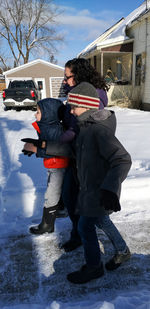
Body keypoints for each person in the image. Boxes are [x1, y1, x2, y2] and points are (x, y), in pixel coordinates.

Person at [65, 82, 131, 283]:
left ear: (85, 105)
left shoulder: (98, 131)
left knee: (85, 226)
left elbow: (122, 159)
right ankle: (122, 250)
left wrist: (110, 189)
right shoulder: (85, 128)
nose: (71, 111)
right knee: (101, 220)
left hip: (98, 191)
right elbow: (74, 153)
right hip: (90, 189)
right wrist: (43, 146)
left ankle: (94, 268)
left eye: (73, 106)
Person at [59, 57, 110, 252]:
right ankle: (79, 234)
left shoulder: (91, 96)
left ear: (79, 75)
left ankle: (87, 240)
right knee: (70, 197)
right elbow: (69, 120)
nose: (65, 81)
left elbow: (82, 127)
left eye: (67, 77)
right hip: (74, 154)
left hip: (86, 157)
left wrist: (55, 141)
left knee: (77, 200)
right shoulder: (76, 93)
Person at [22, 98, 78, 235]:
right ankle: (58, 212)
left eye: (39, 112)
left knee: (51, 195)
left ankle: (47, 225)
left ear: (48, 113)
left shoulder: (52, 129)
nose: (36, 114)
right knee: (55, 193)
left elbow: (55, 149)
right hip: (53, 165)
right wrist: (35, 147)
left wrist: (36, 149)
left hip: (59, 166)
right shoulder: (47, 126)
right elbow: (46, 145)